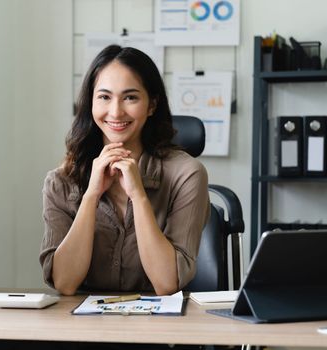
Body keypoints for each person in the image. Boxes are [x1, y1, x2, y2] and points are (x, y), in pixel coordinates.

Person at [40, 45, 210, 296]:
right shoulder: (61, 180)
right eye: (104, 97)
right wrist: (91, 196)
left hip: (156, 327)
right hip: (81, 328)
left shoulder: (187, 174)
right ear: (90, 103)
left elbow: (166, 283)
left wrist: (138, 195)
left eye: (130, 97)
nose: (116, 112)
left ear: (151, 105)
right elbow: (65, 283)